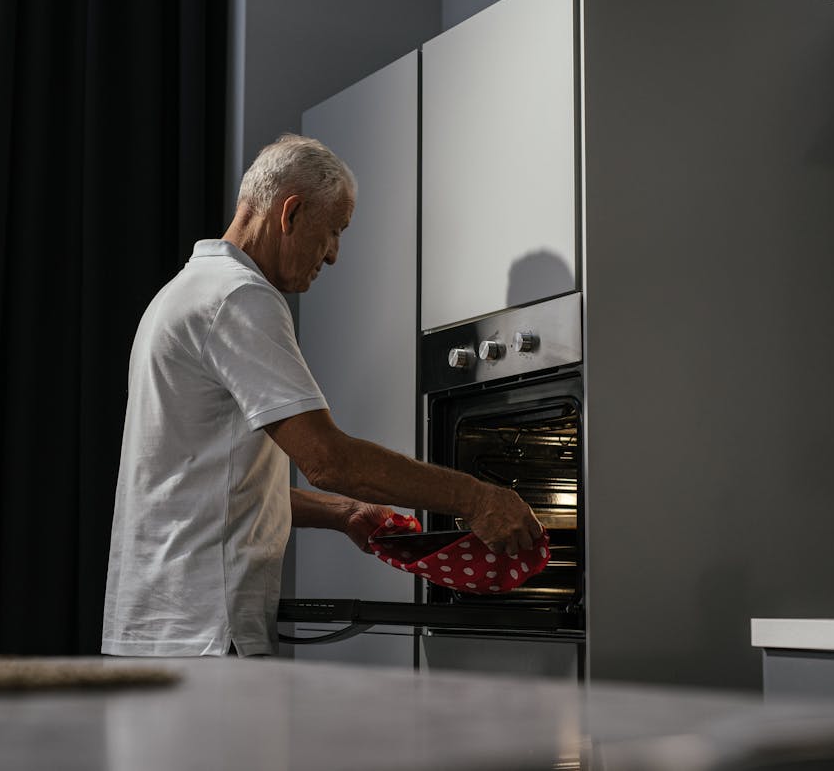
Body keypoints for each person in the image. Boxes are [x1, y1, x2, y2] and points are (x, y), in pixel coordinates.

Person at [101, 134, 541, 658]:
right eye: (334, 230)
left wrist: (344, 512)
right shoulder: (240, 297)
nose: (333, 255)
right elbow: (328, 460)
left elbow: (200, 488)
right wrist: (479, 498)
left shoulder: (180, 294)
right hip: (207, 634)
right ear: (291, 213)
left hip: (155, 628)